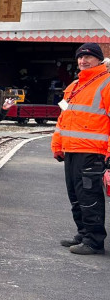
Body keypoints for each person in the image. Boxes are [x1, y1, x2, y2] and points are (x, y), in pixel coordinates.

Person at [52, 43, 110, 255]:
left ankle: (94, 241)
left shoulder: (106, 84)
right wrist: (57, 145)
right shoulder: (75, 86)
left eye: (89, 57)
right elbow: (63, 119)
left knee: (89, 196)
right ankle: (84, 232)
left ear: (99, 59)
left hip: (93, 152)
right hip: (72, 151)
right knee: (75, 195)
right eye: (80, 57)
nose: (83, 61)